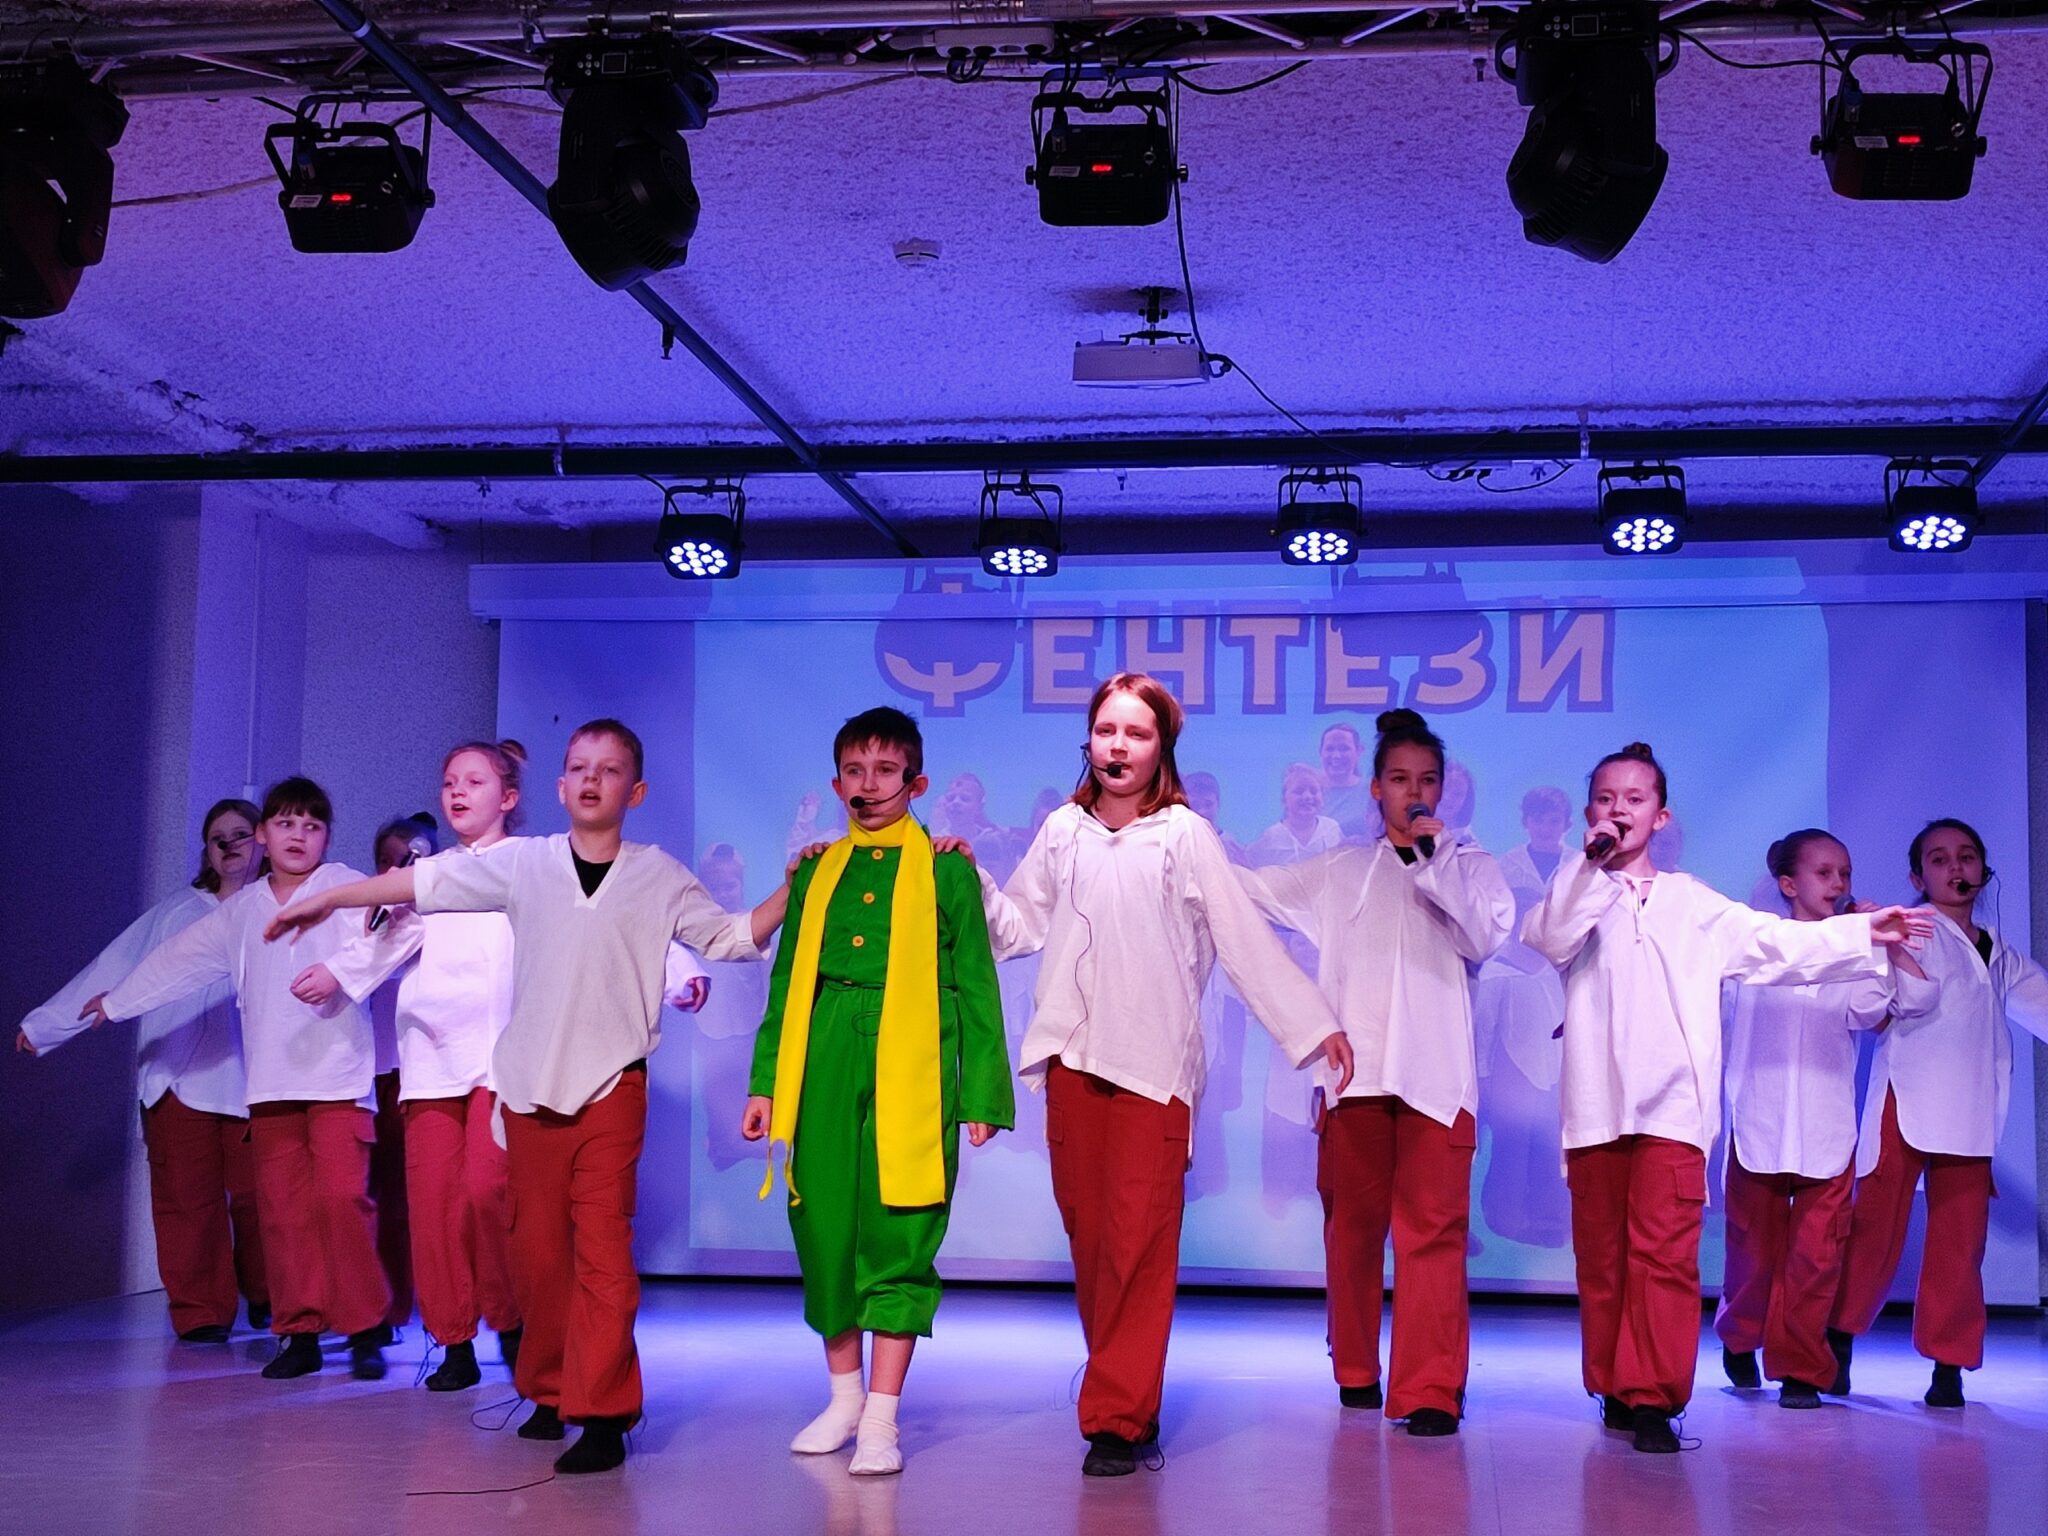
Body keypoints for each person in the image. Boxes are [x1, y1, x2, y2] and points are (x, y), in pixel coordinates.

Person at [266, 719, 789, 1474]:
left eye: (609, 769)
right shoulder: (527, 864)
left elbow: (735, 936)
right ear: (559, 785)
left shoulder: (658, 874)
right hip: (530, 1090)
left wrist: (797, 885)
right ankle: (548, 1390)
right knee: (538, 1255)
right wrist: (330, 900)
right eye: (579, 766)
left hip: (612, 1086)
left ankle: (604, 1411)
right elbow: (421, 885)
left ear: (636, 791)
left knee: (601, 1252)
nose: (591, 778)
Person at [978, 674, 1355, 1477]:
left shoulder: (1184, 835)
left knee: (1139, 1243)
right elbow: (1014, 928)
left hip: (1154, 1071)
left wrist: (1311, 1024)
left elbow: (1244, 939)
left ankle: (1117, 1418)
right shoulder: (1063, 830)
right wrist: (967, 878)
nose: (1118, 746)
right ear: (1089, 740)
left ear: (1162, 749)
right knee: (1090, 1239)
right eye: (1106, 731)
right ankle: (1123, 1392)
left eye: (1137, 733)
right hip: (1073, 1062)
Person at [1521, 743, 1927, 1454]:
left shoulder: (1695, 904)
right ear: (1590, 812)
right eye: (1608, 798)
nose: (1621, 809)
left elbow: (1777, 945)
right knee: (1604, 1258)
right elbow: (1548, 937)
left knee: (1665, 1257)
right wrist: (1587, 863)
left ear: (1661, 815)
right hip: (1595, 1109)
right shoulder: (1576, 888)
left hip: (1674, 1111)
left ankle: (1654, 1397)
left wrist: (1864, 929)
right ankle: (1614, 1385)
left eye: (1636, 798)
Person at [744, 707, 1014, 1477]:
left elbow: (976, 985)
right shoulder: (816, 871)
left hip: (912, 1052)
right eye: (855, 772)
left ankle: (883, 1419)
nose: (869, 785)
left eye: (886, 771)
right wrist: (766, 1083)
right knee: (823, 1221)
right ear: (837, 785)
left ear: (915, 783)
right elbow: (787, 981)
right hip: (824, 1047)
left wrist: (981, 1094)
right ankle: (843, 1398)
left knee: (902, 1223)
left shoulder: (947, 869)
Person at [1238, 709, 1512, 1436]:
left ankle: (1431, 1389)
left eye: (1426, 781)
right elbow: (1249, 891)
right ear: (1374, 788)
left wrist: (1435, 860)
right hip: (1355, 1079)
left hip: (1437, 1082)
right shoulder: (1339, 870)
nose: (1412, 792)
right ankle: (1356, 1367)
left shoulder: (1471, 866)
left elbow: (1483, 936)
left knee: (1434, 1235)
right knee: (1352, 1231)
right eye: (1398, 779)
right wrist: (1180, 841)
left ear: (1444, 789)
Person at [91, 777, 392, 1380]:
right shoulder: (244, 909)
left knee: (341, 1200)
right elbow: (178, 959)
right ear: (263, 835)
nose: (298, 836)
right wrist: (117, 1001)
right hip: (272, 1085)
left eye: (312, 826)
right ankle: (299, 1331)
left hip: (337, 1081)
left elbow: (401, 927)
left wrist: (340, 973)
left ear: (326, 836)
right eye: (285, 824)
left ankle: (364, 1326)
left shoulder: (343, 886)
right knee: (283, 1212)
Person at [294, 744, 530, 1392]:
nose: (458, 792)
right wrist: (335, 973)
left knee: (488, 1192)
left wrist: (677, 973)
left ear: (508, 797)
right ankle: (453, 1342)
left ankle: (511, 1319)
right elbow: (384, 939)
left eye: (474, 781)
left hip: (500, 1062)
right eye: (450, 781)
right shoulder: (429, 875)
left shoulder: (531, 863)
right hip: (430, 1060)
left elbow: (599, 913)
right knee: (435, 1207)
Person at [15, 799, 270, 1341]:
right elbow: (114, 967)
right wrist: (48, 1025)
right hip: (176, 1078)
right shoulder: (177, 912)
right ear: (206, 851)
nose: (229, 844)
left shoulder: (277, 905)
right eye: (218, 837)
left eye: (241, 834)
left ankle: (268, 1292)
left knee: (259, 1198)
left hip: (255, 1080)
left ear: (263, 840)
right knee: (186, 1200)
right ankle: (202, 1313)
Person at [1827, 818, 2048, 1408]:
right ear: (1917, 876)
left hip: (1971, 1109)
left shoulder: (1999, 951)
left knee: (1960, 1240)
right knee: (1874, 1232)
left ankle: (1948, 1365)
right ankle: (1837, 1342)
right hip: (1905, 1097)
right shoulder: (1908, 928)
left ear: (1983, 869)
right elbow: (1889, 1001)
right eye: (1940, 858)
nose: (1956, 867)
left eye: (1967, 856)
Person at [1716, 829, 1921, 1409]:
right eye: (1824, 873)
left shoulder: (1854, 953)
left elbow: (1868, 1012)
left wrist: (1874, 947)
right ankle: (1740, 1335)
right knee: (1752, 1254)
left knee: (1816, 1258)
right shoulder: (1754, 947)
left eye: (1845, 874)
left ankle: (1801, 1368)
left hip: (1827, 1127)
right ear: (1789, 884)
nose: (1838, 884)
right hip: (1757, 1121)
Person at [363, 811, 437, 1337]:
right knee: (370, 1194)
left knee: (409, 1197)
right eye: (388, 861)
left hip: (422, 1072)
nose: (399, 869)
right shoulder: (365, 914)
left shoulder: (447, 914)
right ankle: (373, 1303)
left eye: (410, 859)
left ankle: (402, 1304)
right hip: (370, 1073)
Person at [1247, 763, 1343, 868]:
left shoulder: (1332, 828)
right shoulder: (1271, 837)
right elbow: (1248, 865)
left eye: (1313, 791)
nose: (1307, 796)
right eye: (1299, 791)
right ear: (1284, 800)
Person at [1315, 722, 1380, 843]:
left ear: (1359, 751)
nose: (1336, 756)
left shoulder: (1373, 793)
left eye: (1344, 748)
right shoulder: (1306, 793)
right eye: (1330, 749)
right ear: (1320, 752)